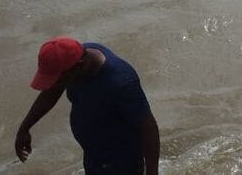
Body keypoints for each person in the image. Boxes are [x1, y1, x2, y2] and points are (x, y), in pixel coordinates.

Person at [15, 37, 160, 174]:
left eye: (57, 80)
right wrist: (24, 128)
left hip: (120, 162)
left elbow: (149, 127)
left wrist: (152, 172)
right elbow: (52, 91)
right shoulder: (75, 58)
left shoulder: (120, 83)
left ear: (79, 66)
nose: (54, 85)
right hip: (93, 155)